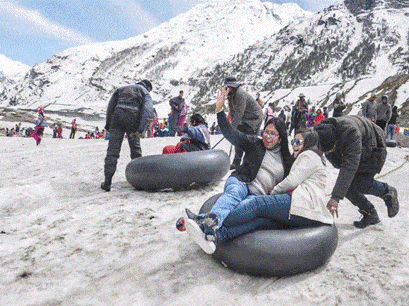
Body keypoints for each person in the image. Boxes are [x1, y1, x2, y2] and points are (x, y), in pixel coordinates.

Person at [185, 129, 333, 254]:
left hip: (302, 204)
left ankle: (206, 221)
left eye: (299, 142)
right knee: (260, 221)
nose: (294, 145)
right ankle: (217, 236)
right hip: (308, 214)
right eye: (294, 141)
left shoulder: (309, 155)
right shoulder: (316, 159)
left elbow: (291, 181)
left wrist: (273, 194)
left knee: (257, 204)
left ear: (308, 143)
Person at [176, 87, 293, 234]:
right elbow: (232, 134)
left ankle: (201, 221)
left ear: (280, 138)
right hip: (241, 182)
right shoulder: (255, 143)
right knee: (234, 194)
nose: (268, 136)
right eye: (266, 132)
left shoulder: (286, 160)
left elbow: (293, 180)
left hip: (258, 196)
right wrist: (219, 111)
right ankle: (212, 221)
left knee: (244, 209)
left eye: (273, 134)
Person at [314, 115, 399, 228]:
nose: (329, 153)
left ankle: (387, 192)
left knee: (361, 183)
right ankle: (370, 213)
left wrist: (335, 198)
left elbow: (349, 167)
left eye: (332, 149)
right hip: (361, 144)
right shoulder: (320, 131)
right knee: (346, 187)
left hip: (374, 146)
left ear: (336, 141)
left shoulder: (351, 133)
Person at [101, 79, 154, 192]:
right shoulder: (145, 92)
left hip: (117, 119)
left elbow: (111, 106)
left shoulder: (121, 89)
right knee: (135, 149)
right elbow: (147, 111)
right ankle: (139, 181)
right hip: (133, 121)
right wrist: (140, 130)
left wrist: (108, 124)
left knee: (112, 151)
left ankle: (107, 182)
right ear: (148, 87)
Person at [223, 76, 264, 169]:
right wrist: (233, 127)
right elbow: (233, 113)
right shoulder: (230, 96)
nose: (226, 89)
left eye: (227, 87)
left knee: (250, 140)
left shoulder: (240, 94)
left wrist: (232, 127)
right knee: (238, 139)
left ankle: (249, 164)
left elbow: (239, 113)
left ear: (232, 87)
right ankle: (236, 163)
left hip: (254, 119)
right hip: (244, 119)